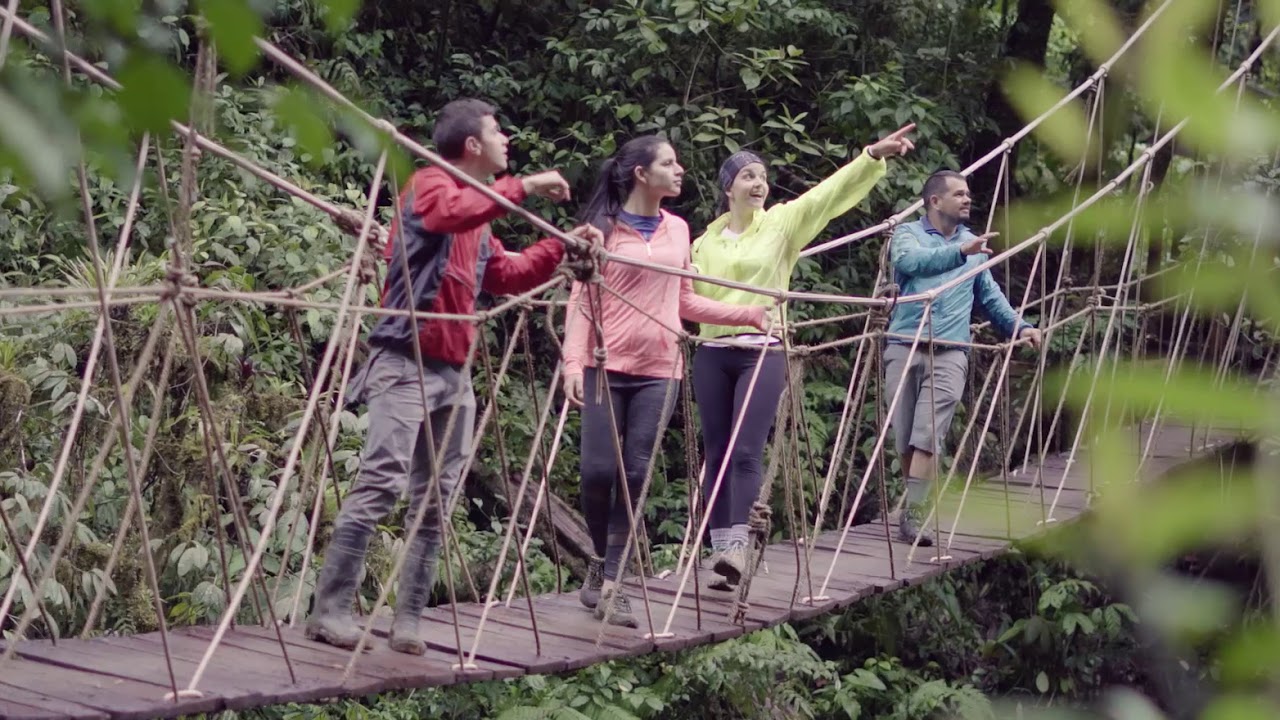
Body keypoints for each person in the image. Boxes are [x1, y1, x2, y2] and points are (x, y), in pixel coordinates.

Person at [306, 98, 602, 655]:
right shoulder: (429, 186)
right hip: (405, 362)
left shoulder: (476, 214)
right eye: (497, 132)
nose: (506, 141)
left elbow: (504, 274)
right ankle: (330, 610)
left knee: (436, 500)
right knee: (382, 481)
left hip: (453, 374)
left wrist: (559, 246)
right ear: (472, 145)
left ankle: (409, 620)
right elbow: (448, 217)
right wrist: (526, 186)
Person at [690, 125, 917, 590]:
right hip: (711, 352)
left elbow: (826, 197)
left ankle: (738, 548)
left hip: (762, 351)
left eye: (763, 177)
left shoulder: (781, 223)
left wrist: (871, 155)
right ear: (728, 188)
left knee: (746, 451)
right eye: (748, 176)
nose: (759, 184)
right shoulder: (701, 242)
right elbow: (684, 294)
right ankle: (719, 552)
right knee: (715, 454)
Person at [562, 135, 768, 627]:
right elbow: (579, 300)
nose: (680, 171)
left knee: (634, 477)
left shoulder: (678, 230)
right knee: (596, 472)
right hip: (603, 366)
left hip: (660, 371)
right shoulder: (601, 230)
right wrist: (573, 363)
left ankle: (613, 582)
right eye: (669, 163)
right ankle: (599, 561)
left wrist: (747, 312)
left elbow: (684, 301)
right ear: (640, 173)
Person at [883, 169, 1042, 546]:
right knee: (905, 436)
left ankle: (916, 512)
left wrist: (1020, 327)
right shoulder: (908, 235)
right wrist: (959, 253)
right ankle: (915, 503)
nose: (967, 199)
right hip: (904, 344)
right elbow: (911, 263)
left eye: (968, 193)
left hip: (951, 352)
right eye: (958, 194)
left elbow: (990, 296)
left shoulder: (975, 245)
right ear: (935, 201)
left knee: (928, 433)